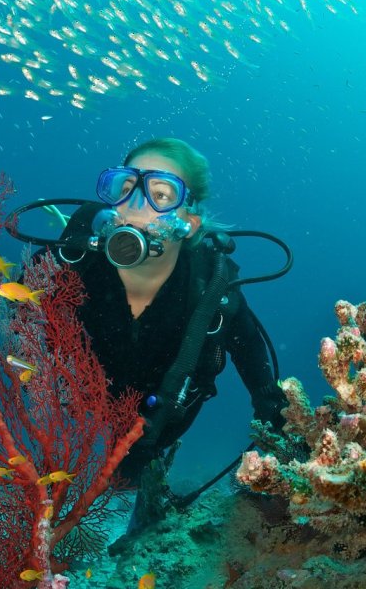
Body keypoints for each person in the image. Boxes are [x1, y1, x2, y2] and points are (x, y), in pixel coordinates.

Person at [52, 138, 289, 493]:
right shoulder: (73, 261)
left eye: (160, 195)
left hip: (163, 420)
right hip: (76, 410)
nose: (134, 204)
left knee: (133, 477)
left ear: (189, 223)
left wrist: (282, 439)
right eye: (126, 187)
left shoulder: (211, 288)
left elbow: (259, 373)